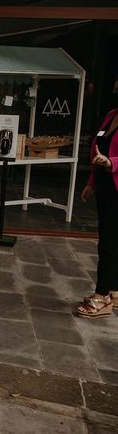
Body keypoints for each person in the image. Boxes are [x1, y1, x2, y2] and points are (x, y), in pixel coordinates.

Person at [78, 107, 118, 318]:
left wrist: (112, 162)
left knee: (108, 244)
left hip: (116, 189)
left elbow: (109, 158)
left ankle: (102, 296)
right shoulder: (111, 114)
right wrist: (91, 183)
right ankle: (114, 291)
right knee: (111, 240)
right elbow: (98, 149)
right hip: (105, 187)